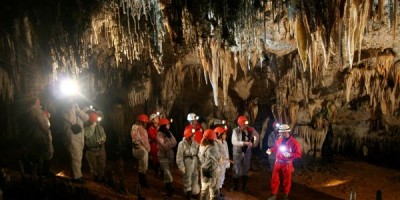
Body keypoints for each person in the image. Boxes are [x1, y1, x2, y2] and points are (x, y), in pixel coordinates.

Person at [266, 124, 302, 200]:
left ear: (286, 132)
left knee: (287, 180)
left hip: (287, 164)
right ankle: (273, 194)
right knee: (274, 178)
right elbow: (275, 148)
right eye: (280, 132)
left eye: (281, 133)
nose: (279, 134)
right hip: (278, 162)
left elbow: (298, 154)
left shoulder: (294, 143)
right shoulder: (279, 140)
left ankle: (285, 195)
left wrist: (290, 154)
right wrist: (271, 150)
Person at [22, 96, 54, 178]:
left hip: (35, 135)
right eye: (38, 100)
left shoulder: (30, 110)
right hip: (40, 135)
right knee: (46, 153)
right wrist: (47, 132)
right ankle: (43, 172)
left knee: (39, 154)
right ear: (35, 101)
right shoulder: (36, 110)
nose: (39, 101)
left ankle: (40, 172)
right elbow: (43, 123)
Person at [231, 115, 259, 192]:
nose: (246, 125)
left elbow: (256, 136)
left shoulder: (249, 130)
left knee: (246, 169)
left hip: (247, 153)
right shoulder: (235, 131)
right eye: (244, 124)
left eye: (246, 124)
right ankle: (235, 186)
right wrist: (244, 143)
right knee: (236, 169)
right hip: (237, 153)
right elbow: (234, 142)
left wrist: (254, 144)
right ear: (240, 124)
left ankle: (244, 186)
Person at [64, 101, 89, 183]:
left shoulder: (78, 108)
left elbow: (86, 118)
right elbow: (72, 119)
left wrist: (78, 110)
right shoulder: (66, 109)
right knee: (76, 157)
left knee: (78, 157)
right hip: (73, 136)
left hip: (80, 136)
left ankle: (75, 174)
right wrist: (72, 108)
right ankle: (77, 177)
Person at [176, 128, 200, 200]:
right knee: (187, 179)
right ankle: (188, 193)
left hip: (195, 162)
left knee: (195, 178)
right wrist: (182, 167)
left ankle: (195, 192)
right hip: (187, 162)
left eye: (194, 135)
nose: (194, 137)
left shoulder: (195, 143)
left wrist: (199, 164)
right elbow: (179, 157)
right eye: (192, 136)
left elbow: (199, 154)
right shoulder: (182, 144)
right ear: (188, 136)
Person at [156, 118, 177, 197]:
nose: (169, 125)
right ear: (164, 126)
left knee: (169, 170)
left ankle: (167, 186)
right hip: (162, 154)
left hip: (170, 154)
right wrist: (169, 144)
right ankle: (169, 188)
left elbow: (175, 142)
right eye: (167, 124)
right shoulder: (159, 134)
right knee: (166, 171)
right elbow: (163, 146)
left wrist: (167, 143)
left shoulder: (169, 133)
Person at [84, 111, 107, 182]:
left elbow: (104, 136)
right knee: (93, 166)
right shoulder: (85, 128)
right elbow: (87, 135)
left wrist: (102, 140)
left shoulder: (99, 127)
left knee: (102, 164)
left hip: (100, 148)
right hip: (90, 150)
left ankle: (102, 176)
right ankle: (96, 177)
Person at [198, 129, 221, 200]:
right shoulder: (212, 149)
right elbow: (218, 159)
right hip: (211, 172)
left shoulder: (201, 146)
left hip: (204, 171)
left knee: (204, 190)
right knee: (213, 192)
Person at [131, 114, 151, 188]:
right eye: (145, 123)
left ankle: (141, 181)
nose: (146, 124)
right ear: (143, 122)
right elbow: (144, 141)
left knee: (140, 166)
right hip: (142, 149)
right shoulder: (142, 129)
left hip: (135, 149)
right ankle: (142, 182)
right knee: (143, 166)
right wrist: (149, 149)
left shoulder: (133, 128)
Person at [214, 126, 230, 199]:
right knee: (217, 179)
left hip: (223, 164)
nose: (225, 135)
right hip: (218, 164)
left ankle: (219, 193)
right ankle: (216, 195)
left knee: (222, 178)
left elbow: (226, 152)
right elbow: (216, 154)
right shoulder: (215, 143)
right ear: (219, 135)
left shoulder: (225, 142)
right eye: (223, 134)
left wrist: (227, 162)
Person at [147, 113, 162, 178]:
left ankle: (162, 173)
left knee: (161, 158)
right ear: (152, 120)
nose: (157, 119)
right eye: (156, 118)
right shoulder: (151, 128)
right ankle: (156, 173)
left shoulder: (160, 127)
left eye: (157, 118)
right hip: (154, 145)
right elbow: (153, 137)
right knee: (156, 159)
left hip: (160, 145)